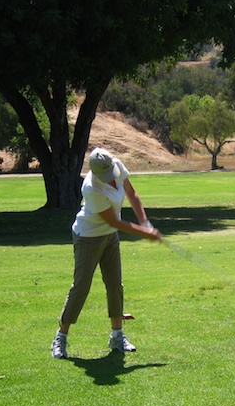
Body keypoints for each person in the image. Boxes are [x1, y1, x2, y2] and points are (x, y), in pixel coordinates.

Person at [51, 148, 162, 359]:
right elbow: (114, 221)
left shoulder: (117, 166)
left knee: (115, 284)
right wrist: (145, 233)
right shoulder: (91, 188)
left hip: (110, 236)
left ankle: (117, 336)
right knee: (81, 286)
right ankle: (60, 337)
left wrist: (145, 222)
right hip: (88, 237)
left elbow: (132, 193)